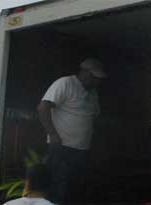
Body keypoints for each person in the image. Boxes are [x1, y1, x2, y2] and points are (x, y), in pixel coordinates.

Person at [37, 58, 106, 204]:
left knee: (76, 189)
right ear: (84, 72)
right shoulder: (65, 83)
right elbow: (43, 107)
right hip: (62, 148)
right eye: (93, 77)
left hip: (82, 150)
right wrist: (53, 135)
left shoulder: (93, 93)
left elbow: (93, 118)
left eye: (98, 79)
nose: (96, 82)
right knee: (59, 188)